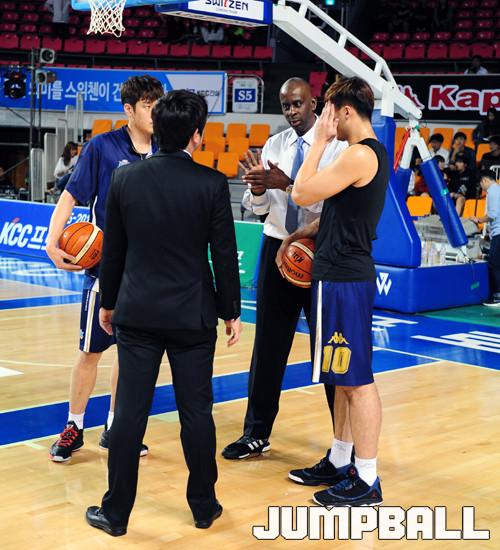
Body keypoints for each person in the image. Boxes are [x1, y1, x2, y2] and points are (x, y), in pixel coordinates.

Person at [85, 90, 241, 536]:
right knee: (197, 413)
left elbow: (113, 251)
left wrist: (108, 302)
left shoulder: (125, 179)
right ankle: (204, 506)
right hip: (193, 315)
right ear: (197, 135)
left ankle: (116, 514)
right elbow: (223, 255)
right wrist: (230, 311)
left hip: (137, 312)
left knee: (129, 414)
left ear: (158, 130)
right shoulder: (212, 183)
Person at [222, 77, 347, 468]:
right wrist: (259, 190)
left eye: (298, 104)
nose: (292, 111)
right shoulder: (275, 145)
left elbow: (332, 205)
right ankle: (256, 433)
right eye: (286, 105)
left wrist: (287, 182)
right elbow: (260, 210)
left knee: (328, 349)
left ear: (314, 104)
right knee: (268, 347)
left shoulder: (339, 148)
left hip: (319, 249)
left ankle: (342, 446)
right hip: (277, 248)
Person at [279, 76, 389, 507]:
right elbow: (335, 214)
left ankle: (368, 478)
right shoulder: (366, 154)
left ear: (344, 111)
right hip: (339, 275)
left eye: (328, 110)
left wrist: (321, 140)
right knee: (342, 378)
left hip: (345, 278)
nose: (326, 118)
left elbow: (302, 191)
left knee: (356, 381)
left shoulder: (359, 154)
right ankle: (341, 458)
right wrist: (299, 235)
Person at [45, 75, 164, 462]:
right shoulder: (102, 147)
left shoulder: (167, 148)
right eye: (147, 105)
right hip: (106, 271)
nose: (155, 112)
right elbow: (70, 196)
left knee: (130, 356)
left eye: (158, 105)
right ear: (129, 110)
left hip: (148, 274)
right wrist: (52, 242)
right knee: (90, 352)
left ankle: (116, 427)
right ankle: (74, 426)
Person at [470, 170, 500, 307]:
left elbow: (492, 215)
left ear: (485, 180)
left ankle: (497, 296)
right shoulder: (497, 190)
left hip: (499, 233)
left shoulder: (493, 192)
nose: (481, 187)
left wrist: (478, 220)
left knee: (494, 264)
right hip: (496, 232)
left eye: (481, 184)